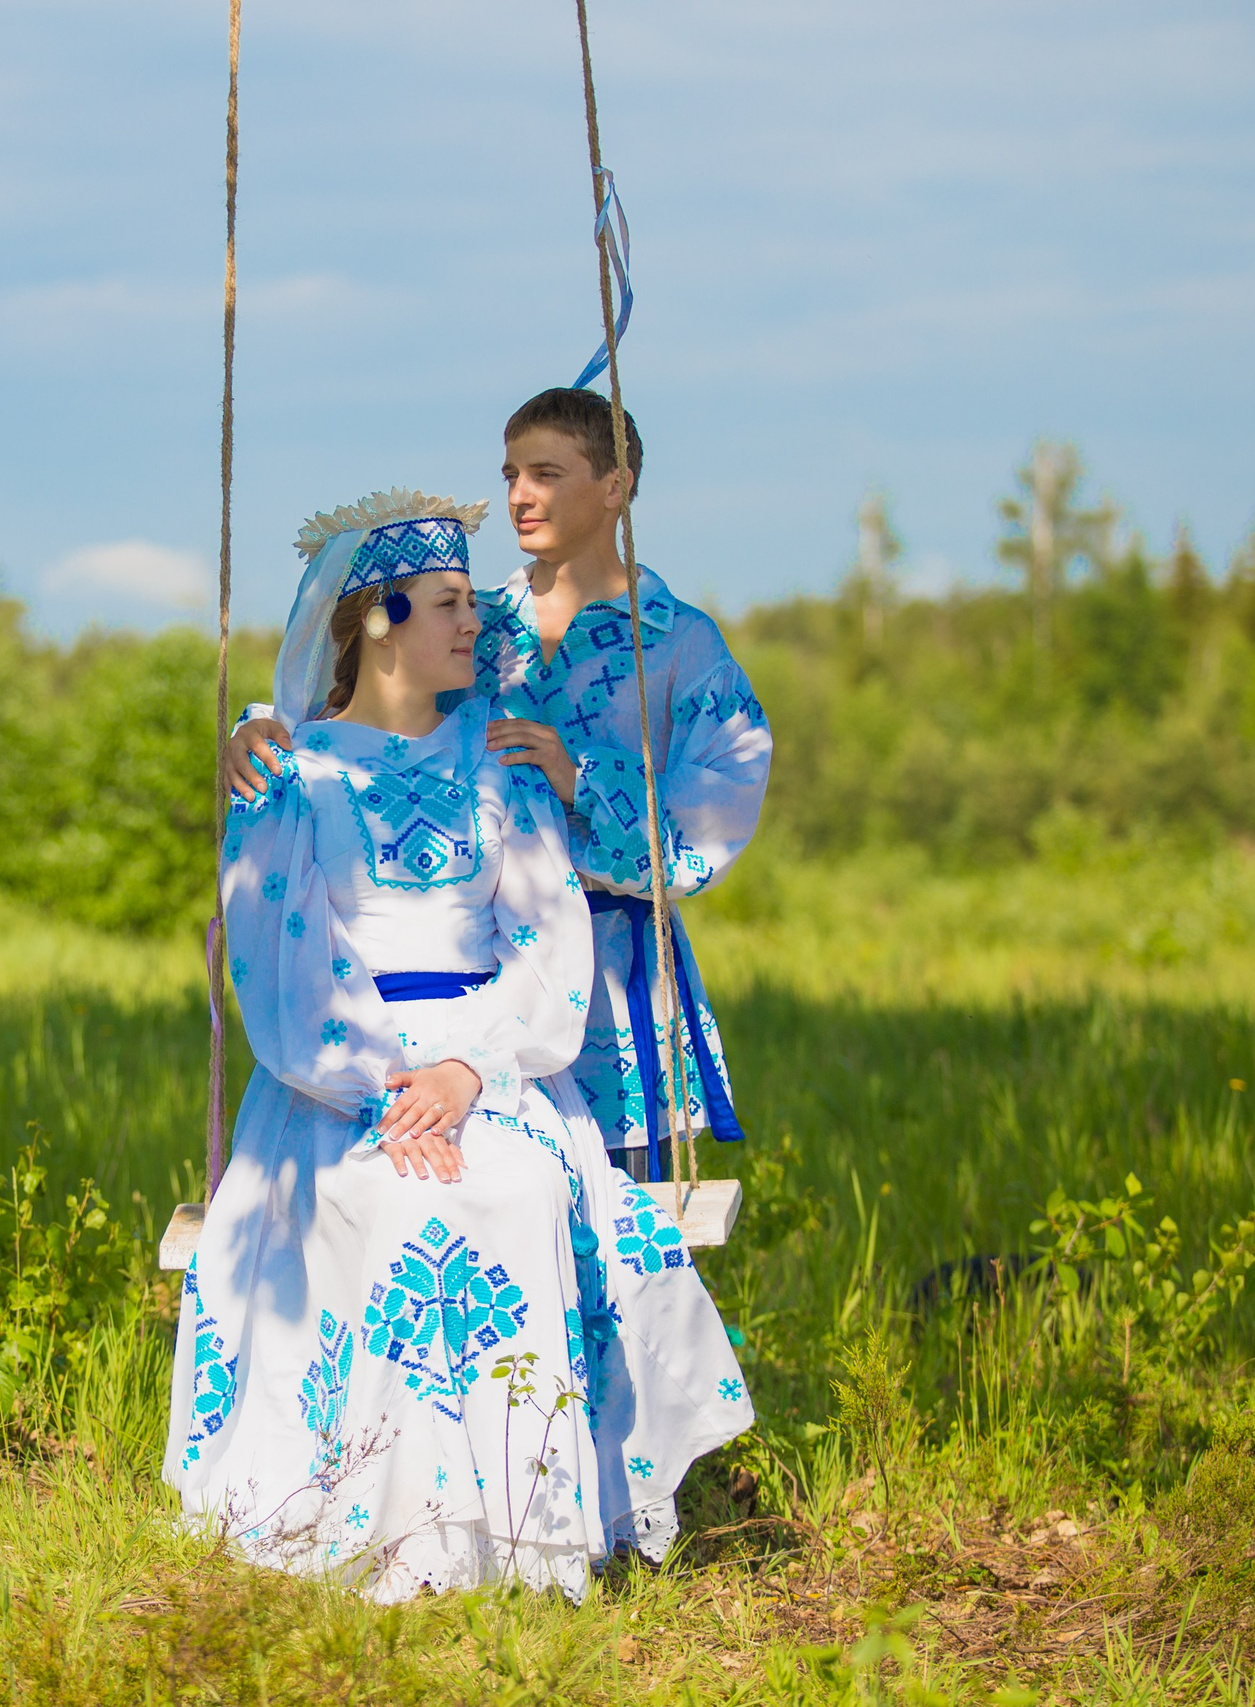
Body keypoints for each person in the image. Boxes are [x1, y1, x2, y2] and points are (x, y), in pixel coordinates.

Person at [167, 488, 752, 1602]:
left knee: (520, 1193)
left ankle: (520, 1525)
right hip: (339, 1076)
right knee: (385, 1203)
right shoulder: (291, 775)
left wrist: (464, 1069)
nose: (472, 623)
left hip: (493, 1063)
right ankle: (387, 1520)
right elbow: (280, 963)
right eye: (445, 605)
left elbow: (547, 944)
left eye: (468, 602)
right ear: (378, 620)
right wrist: (380, 1083)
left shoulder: (502, 765)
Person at [228, 391, 771, 1181]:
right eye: (511, 471)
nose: (519, 494)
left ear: (615, 486)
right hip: (455, 973)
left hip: (611, 981)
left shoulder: (680, 643)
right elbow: (354, 722)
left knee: (602, 1224)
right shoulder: (474, 623)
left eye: (546, 473)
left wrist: (582, 780)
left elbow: (721, 804)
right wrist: (258, 730)